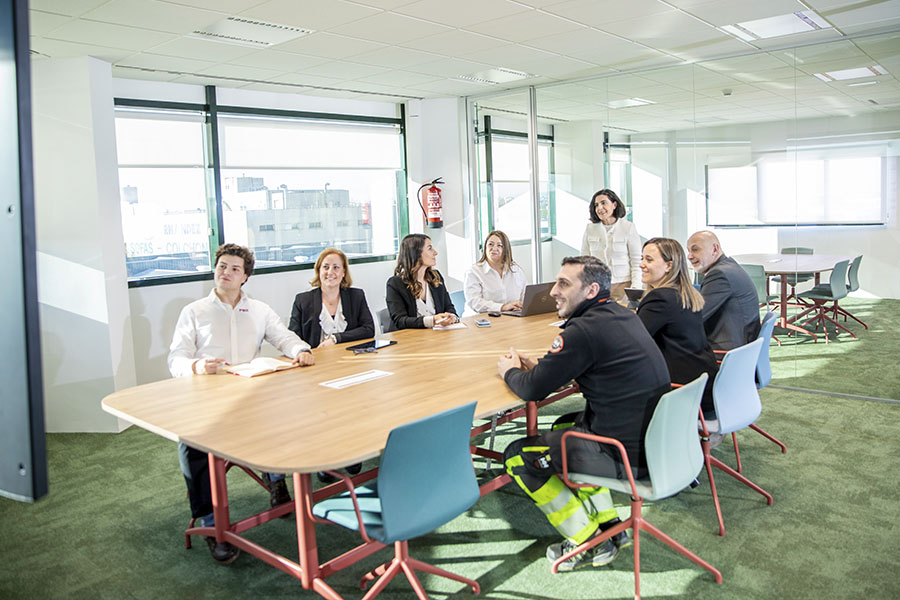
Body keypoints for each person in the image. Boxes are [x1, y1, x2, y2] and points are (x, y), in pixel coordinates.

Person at [498, 256, 670, 572]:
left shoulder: (581, 331)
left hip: (623, 455)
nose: (553, 291)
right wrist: (546, 367)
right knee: (566, 422)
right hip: (654, 441)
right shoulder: (621, 315)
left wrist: (509, 371)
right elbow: (592, 364)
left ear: (590, 290)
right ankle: (608, 524)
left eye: (564, 284)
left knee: (516, 456)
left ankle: (587, 539)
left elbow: (532, 391)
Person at [168, 243, 315, 565]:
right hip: (205, 395)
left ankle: (275, 480)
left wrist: (300, 350)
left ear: (245, 276)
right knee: (192, 446)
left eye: (235, 268)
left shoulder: (259, 309)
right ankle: (210, 523)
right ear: (215, 269)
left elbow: (284, 337)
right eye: (222, 266)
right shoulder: (194, 311)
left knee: (284, 415)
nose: (227, 272)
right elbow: (175, 358)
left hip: (249, 391)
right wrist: (195, 366)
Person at [288, 247, 373, 483]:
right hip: (315, 370)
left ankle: (354, 452)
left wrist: (336, 339)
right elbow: (292, 336)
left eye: (336, 267)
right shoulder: (303, 300)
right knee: (322, 414)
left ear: (344, 272)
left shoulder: (355, 296)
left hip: (351, 364)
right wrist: (305, 351)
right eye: (326, 267)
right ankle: (325, 460)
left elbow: (368, 329)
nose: (331, 272)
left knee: (352, 410)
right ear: (318, 271)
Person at [637, 238, 718, 417]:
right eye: (642, 259)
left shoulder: (660, 298)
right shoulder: (686, 293)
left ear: (668, 266)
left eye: (649, 260)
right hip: (703, 388)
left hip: (682, 394)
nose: (642, 265)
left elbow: (632, 342)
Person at [686, 230, 761, 351]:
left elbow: (695, 316)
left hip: (726, 353)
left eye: (695, 250)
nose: (689, 256)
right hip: (743, 349)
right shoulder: (729, 266)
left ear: (715, 249)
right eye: (688, 250)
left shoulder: (719, 274)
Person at [386, 233, 459, 330]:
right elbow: (400, 321)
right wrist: (432, 320)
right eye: (430, 248)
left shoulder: (436, 277)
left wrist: (451, 317)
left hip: (438, 336)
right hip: (410, 340)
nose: (435, 252)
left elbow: (449, 307)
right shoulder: (395, 283)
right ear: (415, 253)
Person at [580, 189, 642, 302]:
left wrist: (635, 288)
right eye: (596, 205)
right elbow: (584, 261)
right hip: (597, 286)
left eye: (604, 203)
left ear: (614, 204)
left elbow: (636, 261)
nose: (599, 208)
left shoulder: (628, 227)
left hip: (623, 286)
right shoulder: (590, 229)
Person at [463, 229, 527, 314]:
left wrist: (521, 305)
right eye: (490, 244)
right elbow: (475, 302)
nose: (494, 248)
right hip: (482, 320)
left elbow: (525, 294)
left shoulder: (515, 270)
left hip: (510, 318)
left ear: (506, 250)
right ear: (485, 247)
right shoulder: (474, 272)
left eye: (499, 245)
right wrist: (502, 307)